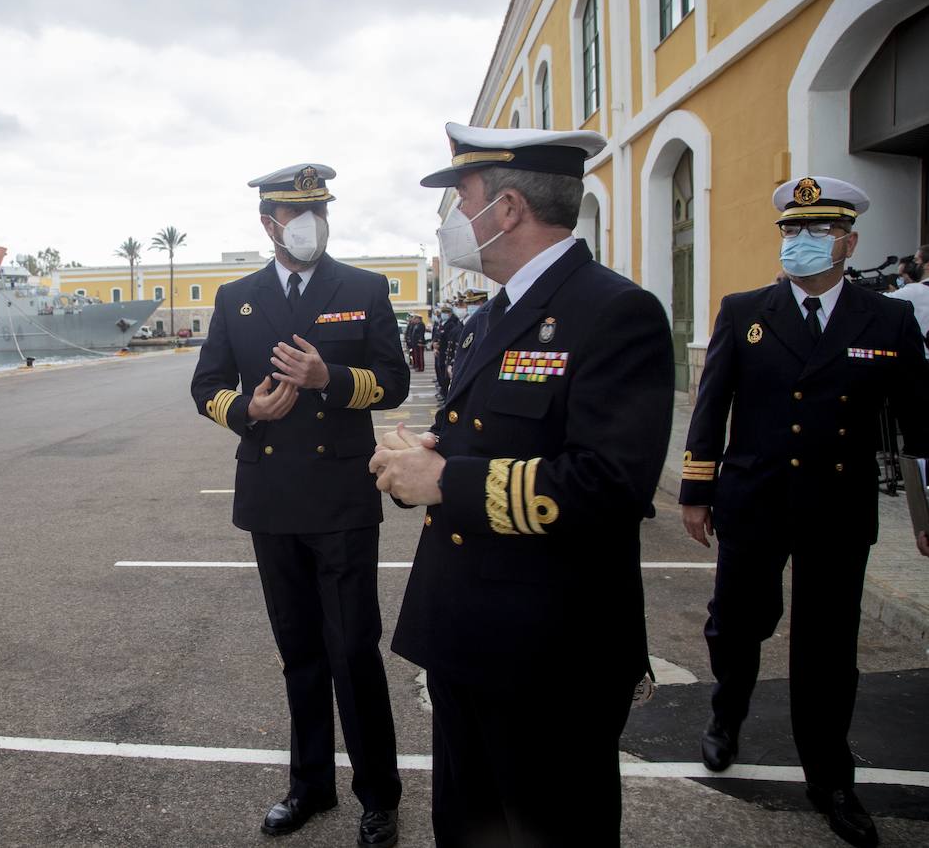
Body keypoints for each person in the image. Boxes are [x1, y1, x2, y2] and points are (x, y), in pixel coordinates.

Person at [370, 125, 674, 847]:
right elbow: (493, 443)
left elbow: (610, 485)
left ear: (506, 209)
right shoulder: (492, 317)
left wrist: (447, 479)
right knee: (469, 827)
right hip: (468, 633)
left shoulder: (614, 313)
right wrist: (426, 464)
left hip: (550, 654)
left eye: (462, 200)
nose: (453, 222)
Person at [679, 176, 929, 848]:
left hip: (837, 507)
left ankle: (830, 776)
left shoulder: (888, 321)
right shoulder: (744, 310)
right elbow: (712, 408)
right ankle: (726, 716)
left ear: (848, 242)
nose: (800, 243)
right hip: (753, 499)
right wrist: (696, 491)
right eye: (791, 231)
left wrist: (927, 506)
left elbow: (918, 422)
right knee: (737, 625)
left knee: (827, 647)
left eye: (815, 233)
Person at [190, 163, 408, 846]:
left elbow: (396, 382)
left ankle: (378, 795)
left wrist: (330, 378)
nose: (309, 221)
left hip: (341, 498)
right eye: (294, 211)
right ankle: (309, 786)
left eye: (318, 209)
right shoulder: (238, 298)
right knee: (300, 653)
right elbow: (206, 385)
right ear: (269, 224)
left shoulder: (363, 289)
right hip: (272, 497)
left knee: (353, 652)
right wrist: (245, 410)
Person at [886, 243, 929, 356]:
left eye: (916, 261)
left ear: (927, 265)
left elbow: (879, 302)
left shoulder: (915, 290)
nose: (913, 265)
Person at [432, 305, 460, 402]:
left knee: (447, 378)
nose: (442, 314)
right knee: (442, 374)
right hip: (442, 353)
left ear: (449, 313)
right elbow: (438, 336)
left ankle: (445, 396)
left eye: (444, 312)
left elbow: (449, 340)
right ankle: (444, 394)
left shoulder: (451, 324)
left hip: (445, 353)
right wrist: (435, 344)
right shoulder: (443, 323)